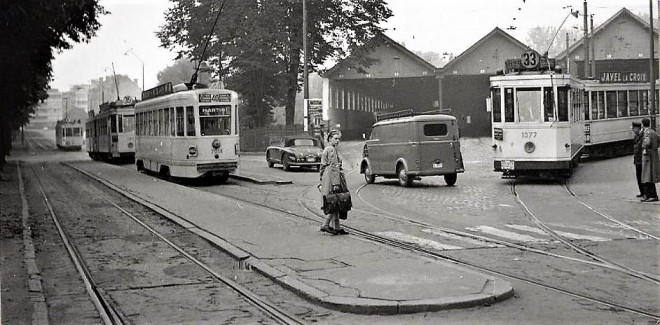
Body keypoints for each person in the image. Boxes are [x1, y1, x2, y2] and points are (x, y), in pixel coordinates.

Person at [319, 130, 349, 235]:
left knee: (335, 201)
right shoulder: (331, 149)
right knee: (334, 201)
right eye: (335, 138)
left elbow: (322, 166)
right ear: (330, 138)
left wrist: (321, 180)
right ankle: (326, 224)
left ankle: (337, 227)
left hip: (327, 176)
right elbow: (334, 167)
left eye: (338, 139)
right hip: (332, 177)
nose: (337, 141)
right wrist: (336, 183)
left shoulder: (328, 149)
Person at [640, 118, 660, 202]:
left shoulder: (647, 133)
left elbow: (647, 143)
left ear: (643, 124)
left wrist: (644, 147)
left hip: (648, 157)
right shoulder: (653, 132)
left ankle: (648, 195)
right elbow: (658, 140)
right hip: (654, 155)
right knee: (650, 176)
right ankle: (652, 195)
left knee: (647, 176)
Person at [632, 121, 644, 198]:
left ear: (638, 128)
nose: (632, 130)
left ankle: (645, 192)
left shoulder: (642, 136)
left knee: (642, 177)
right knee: (638, 177)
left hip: (641, 160)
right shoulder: (636, 136)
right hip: (637, 160)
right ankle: (642, 192)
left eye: (633, 128)